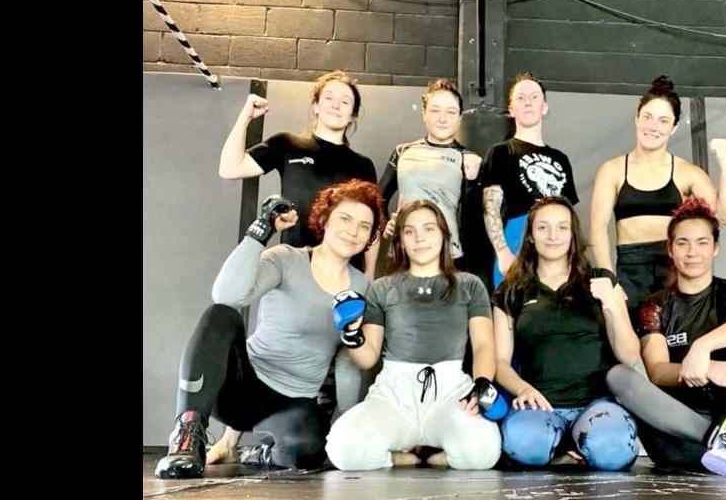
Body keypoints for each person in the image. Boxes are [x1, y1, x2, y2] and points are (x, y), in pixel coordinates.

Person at [154, 179, 384, 479]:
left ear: (370, 237)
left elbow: (359, 360)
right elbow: (227, 295)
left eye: (364, 226)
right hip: (243, 385)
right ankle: (186, 438)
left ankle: (258, 453)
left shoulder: (363, 288)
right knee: (220, 315)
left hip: (292, 400)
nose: (353, 230)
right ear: (325, 220)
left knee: (308, 455)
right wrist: (260, 231)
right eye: (345, 218)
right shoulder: (286, 258)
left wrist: (353, 334)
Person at [606, 197, 726, 477]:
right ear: (670, 249)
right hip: (684, 434)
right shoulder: (654, 306)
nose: (692, 252)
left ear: (715, 248)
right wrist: (710, 369)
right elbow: (657, 371)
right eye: (682, 243)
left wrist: (704, 346)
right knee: (617, 375)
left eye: (702, 243)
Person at [325, 200, 502, 471]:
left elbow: (483, 345)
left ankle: (440, 457)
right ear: (401, 240)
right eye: (410, 231)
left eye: (428, 229)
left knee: (483, 453)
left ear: (443, 235)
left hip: (451, 389)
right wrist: (352, 336)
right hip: (394, 392)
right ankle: (399, 458)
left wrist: (481, 383)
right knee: (343, 449)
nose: (419, 237)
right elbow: (367, 357)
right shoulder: (382, 288)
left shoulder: (469, 285)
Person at [490, 197, 641, 471]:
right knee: (524, 447)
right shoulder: (511, 290)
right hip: (541, 404)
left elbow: (629, 356)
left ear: (573, 235)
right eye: (543, 228)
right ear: (531, 237)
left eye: (562, 227)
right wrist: (522, 389)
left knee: (613, 452)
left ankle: (584, 443)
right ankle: (562, 446)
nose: (553, 236)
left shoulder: (601, 280)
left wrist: (611, 305)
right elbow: (500, 362)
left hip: (596, 403)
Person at [589, 75, 726, 318]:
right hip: (631, 269)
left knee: (674, 343)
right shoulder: (612, 170)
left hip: (673, 266)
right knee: (628, 347)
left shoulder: (686, 172)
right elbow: (597, 228)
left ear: (674, 127)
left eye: (663, 120)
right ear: (636, 118)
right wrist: (609, 279)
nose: (653, 126)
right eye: (647, 117)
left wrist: (725, 162)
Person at [218, 70, 379, 279]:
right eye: (328, 98)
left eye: (345, 102)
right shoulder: (288, 144)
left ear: (352, 115)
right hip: (296, 268)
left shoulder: (363, 165)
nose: (335, 105)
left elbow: (373, 225)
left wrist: (369, 275)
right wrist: (245, 116)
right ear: (316, 106)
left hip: (345, 273)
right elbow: (230, 168)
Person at [481, 73, 579, 290]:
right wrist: (503, 253)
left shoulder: (560, 159)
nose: (527, 102)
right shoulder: (500, 152)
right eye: (521, 98)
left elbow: (570, 217)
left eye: (534, 97)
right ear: (511, 109)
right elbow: (491, 208)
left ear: (545, 107)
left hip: (555, 241)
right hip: (516, 238)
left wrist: (574, 259)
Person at [378, 79, 483, 269]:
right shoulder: (403, 151)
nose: (442, 118)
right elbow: (376, 201)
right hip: (404, 253)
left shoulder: (468, 159)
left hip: (449, 257)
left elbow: (473, 223)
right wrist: (385, 225)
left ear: (460, 118)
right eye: (435, 110)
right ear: (424, 113)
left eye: (450, 112)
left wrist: (473, 181)